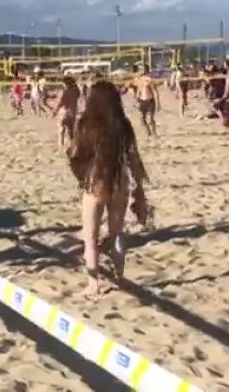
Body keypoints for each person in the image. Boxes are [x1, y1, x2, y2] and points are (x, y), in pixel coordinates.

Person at [67, 81, 149, 298]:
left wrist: (82, 175)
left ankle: (93, 284)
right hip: (119, 180)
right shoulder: (123, 124)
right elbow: (134, 159)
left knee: (90, 237)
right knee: (116, 232)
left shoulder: (85, 124)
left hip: (95, 182)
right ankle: (120, 276)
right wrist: (139, 187)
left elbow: (74, 154)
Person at [132, 64, 160, 137]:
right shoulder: (138, 80)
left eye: (143, 69)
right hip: (142, 101)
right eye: (140, 69)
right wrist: (136, 100)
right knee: (142, 119)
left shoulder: (149, 80)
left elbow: (155, 91)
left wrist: (158, 103)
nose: (141, 71)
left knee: (150, 118)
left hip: (150, 100)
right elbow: (138, 90)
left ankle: (154, 133)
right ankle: (148, 133)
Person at [54, 76, 81, 149]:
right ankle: (71, 144)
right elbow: (78, 95)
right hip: (72, 112)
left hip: (64, 111)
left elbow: (61, 102)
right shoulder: (76, 90)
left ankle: (61, 144)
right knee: (71, 130)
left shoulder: (65, 92)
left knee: (61, 127)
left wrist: (55, 111)